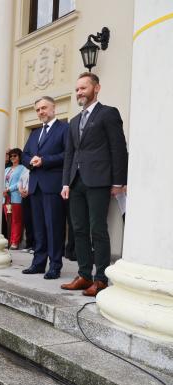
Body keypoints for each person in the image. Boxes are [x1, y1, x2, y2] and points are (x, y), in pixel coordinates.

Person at [61, 72, 128, 296]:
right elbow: (69, 155)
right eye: (77, 89)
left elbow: (118, 148)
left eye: (83, 88)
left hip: (99, 180)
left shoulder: (108, 114)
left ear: (96, 88)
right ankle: (84, 275)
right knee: (78, 230)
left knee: (97, 229)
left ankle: (100, 279)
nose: (79, 92)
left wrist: (119, 181)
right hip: (76, 182)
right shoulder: (73, 121)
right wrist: (65, 183)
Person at [21, 96, 68, 279]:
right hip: (36, 187)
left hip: (53, 186)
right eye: (38, 109)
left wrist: (45, 160)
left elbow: (67, 154)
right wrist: (30, 161)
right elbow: (25, 154)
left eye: (44, 108)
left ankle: (55, 266)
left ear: (54, 108)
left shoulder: (64, 128)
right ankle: (38, 263)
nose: (41, 112)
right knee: (39, 228)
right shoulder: (34, 134)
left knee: (54, 227)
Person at [2, 148, 25, 250]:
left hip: (16, 197)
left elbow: (20, 182)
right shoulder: (7, 169)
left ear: (19, 157)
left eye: (15, 156)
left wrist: (9, 189)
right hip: (6, 198)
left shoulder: (22, 168)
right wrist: (3, 190)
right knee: (8, 220)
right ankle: (9, 241)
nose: (12, 158)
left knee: (16, 220)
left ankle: (15, 242)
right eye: (11, 156)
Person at [18, 166, 34, 253]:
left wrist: (28, 190)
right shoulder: (25, 169)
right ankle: (29, 244)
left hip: (33, 195)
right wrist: (20, 190)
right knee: (27, 220)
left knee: (35, 221)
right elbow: (20, 180)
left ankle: (35, 245)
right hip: (24, 196)